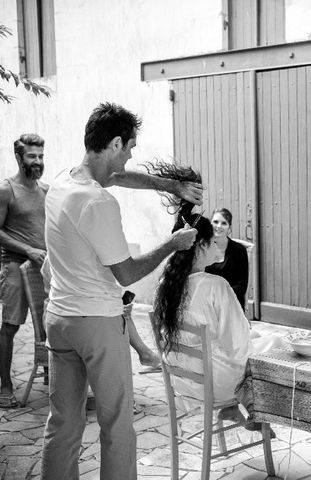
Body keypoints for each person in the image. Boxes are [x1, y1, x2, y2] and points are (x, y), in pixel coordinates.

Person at [41, 102, 201, 480]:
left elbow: (116, 177)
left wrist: (170, 185)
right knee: (118, 425)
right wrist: (171, 244)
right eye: (129, 147)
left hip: (59, 320)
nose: (130, 156)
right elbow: (127, 274)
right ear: (114, 143)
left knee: (62, 423)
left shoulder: (64, 181)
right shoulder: (97, 202)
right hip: (97, 323)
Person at [154, 209, 280, 426]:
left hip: (182, 380)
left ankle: (231, 409)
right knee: (275, 345)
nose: (216, 246)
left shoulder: (165, 283)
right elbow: (237, 344)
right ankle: (255, 409)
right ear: (201, 245)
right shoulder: (215, 285)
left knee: (250, 340)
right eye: (212, 242)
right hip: (215, 384)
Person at [0, 134, 47, 409]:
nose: (38, 161)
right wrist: (27, 250)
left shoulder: (46, 191)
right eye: (32, 156)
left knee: (49, 324)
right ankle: (5, 386)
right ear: (19, 158)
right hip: (15, 265)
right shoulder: (7, 190)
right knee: (10, 326)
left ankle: (50, 376)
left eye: (40, 156)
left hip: (42, 268)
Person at [204, 208, 249, 311]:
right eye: (215, 222)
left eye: (224, 223)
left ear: (229, 228)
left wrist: (219, 298)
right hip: (206, 303)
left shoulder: (239, 250)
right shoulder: (202, 247)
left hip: (231, 304)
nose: (218, 226)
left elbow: (241, 286)